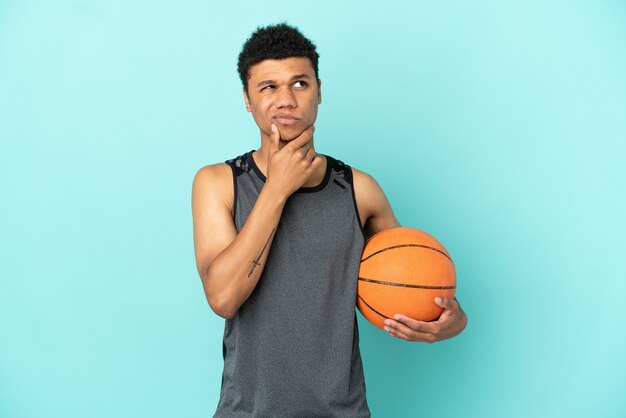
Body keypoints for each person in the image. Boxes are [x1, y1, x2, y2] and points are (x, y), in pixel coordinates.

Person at [191, 22, 468, 418]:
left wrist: (451, 320)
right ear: (247, 100)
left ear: (319, 92)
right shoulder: (218, 183)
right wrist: (277, 189)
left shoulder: (360, 191)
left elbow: (413, 283)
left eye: (299, 84)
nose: (285, 99)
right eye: (268, 87)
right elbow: (223, 297)